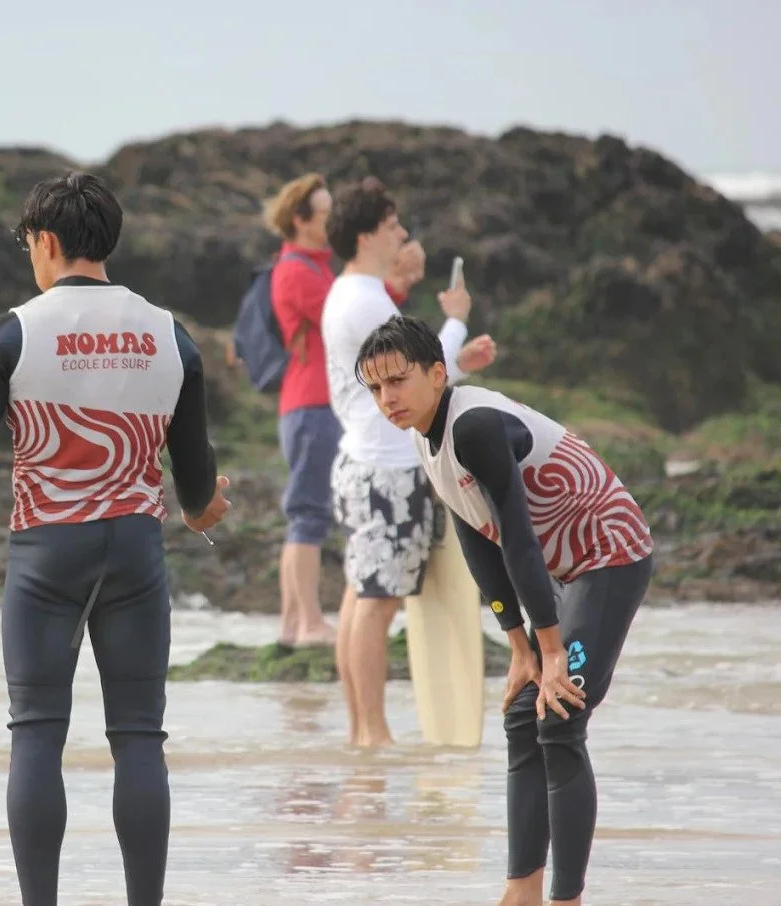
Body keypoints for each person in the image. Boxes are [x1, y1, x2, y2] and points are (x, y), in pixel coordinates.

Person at [0, 171, 230, 906]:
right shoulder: (168, 333)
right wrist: (205, 509)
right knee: (139, 737)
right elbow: (195, 482)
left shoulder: (16, 332)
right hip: (134, 551)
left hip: (48, 550)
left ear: (47, 242)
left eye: (29, 243)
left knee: (36, 735)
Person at [353, 313, 655, 906]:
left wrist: (549, 652)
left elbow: (517, 536)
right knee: (523, 711)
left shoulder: (476, 427)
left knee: (560, 713)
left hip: (609, 554)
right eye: (375, 388)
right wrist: (518, 644)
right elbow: (476, 536)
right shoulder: (424, 434)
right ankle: (522, 890)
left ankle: (566, 899)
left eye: (399, 381)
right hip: (565, 571)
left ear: (439, 374)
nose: (387, 398)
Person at [319, 178, 497, 748]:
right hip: (386, 468)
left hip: (360, 459)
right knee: (376, 602)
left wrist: (456, 361)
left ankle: (361, 728)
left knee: (361, 596)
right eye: (394, 226)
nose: (403, 236)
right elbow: (413, 366)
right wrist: (458, 318)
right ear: (369, 234)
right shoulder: (366, 297)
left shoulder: (349, 293)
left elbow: (409, 377)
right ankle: (372, 732)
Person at [258, 174, 424, 649]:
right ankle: (306, 621)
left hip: (314, 402)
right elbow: (367, 330)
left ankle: (295, 623)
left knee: (307, 514)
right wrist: (396, 283)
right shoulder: (295, 270)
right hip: (311, 403)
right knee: (307, 515)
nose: (334, 223)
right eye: (326, 214)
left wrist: (392, 282)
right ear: (301, 220)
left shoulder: (315, 269)